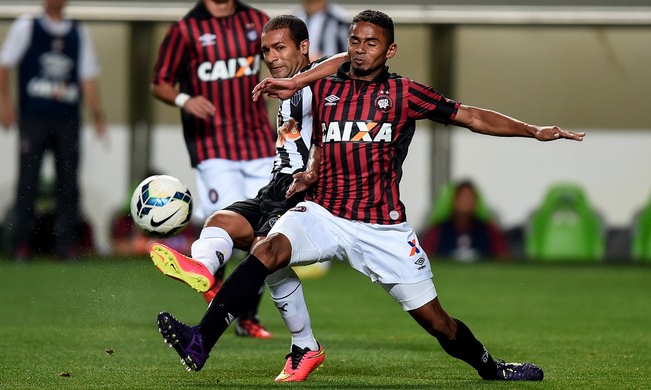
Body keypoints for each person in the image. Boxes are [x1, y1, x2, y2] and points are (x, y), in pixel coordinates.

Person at [154, 9, 586, 382]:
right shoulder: (325, 88)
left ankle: (491, 367)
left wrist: (534, 130)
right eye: (355, 41)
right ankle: (201, 340)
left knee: (439, 324)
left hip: (382, 227)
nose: (360, 50)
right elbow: (328, 136)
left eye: (371, 43)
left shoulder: (404, 93)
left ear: (390, 51)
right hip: (324, 212)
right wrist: (313, 171)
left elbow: (470, 116)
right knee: (268, 250)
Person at [151, 15, 346, 380]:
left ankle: (208, 337)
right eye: (265, 50)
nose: (270, 57)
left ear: (303, 47)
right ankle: (204, 269)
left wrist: (300, 79)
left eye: (280, 47)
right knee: (221, 223)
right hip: (276, 186)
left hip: (305, 189)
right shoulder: (282, 84)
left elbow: (347, 59)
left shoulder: (321, 75)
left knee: (264, 254)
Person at [150, 0, 276, 339]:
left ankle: (244, 312)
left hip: (261, 144)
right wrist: (184, 100)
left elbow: (283, 53)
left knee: (266, 233)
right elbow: (160, 82)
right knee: (230, 230)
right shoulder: (185, 29)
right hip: (213, 146)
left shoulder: (257, 20)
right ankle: (214, 286)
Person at [0, 0, 106, 262]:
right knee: (28, 182)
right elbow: (3, 65)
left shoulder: (79, 32)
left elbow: (87, 76)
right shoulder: (26, 27)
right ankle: (20, 245)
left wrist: (97, 114)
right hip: (33, 119)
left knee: (68, 185)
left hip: (67, 120)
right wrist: (4, 105)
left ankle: (66, 245)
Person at [421, 180, 510, 262]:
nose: (466, 202)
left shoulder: (488, 229)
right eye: (462, 197)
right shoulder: (438, 230)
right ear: (453, 201)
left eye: (470, 198)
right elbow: (424, 257)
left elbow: (503, 256)